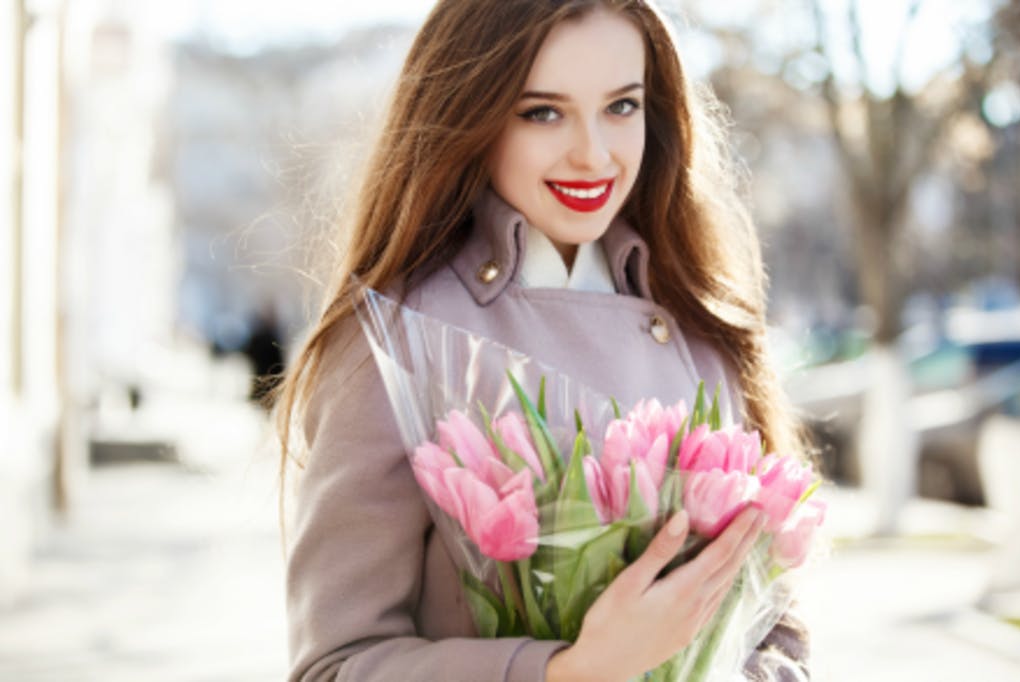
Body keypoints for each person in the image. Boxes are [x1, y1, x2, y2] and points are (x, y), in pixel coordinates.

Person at [274, 1, 813, 680]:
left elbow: (774, 624)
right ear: (474, 115)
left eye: (622, 106)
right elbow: (335, 665)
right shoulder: (395, 341)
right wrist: (568, 672)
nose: (593, 153)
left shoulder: (702, 320)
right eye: (542, 112)